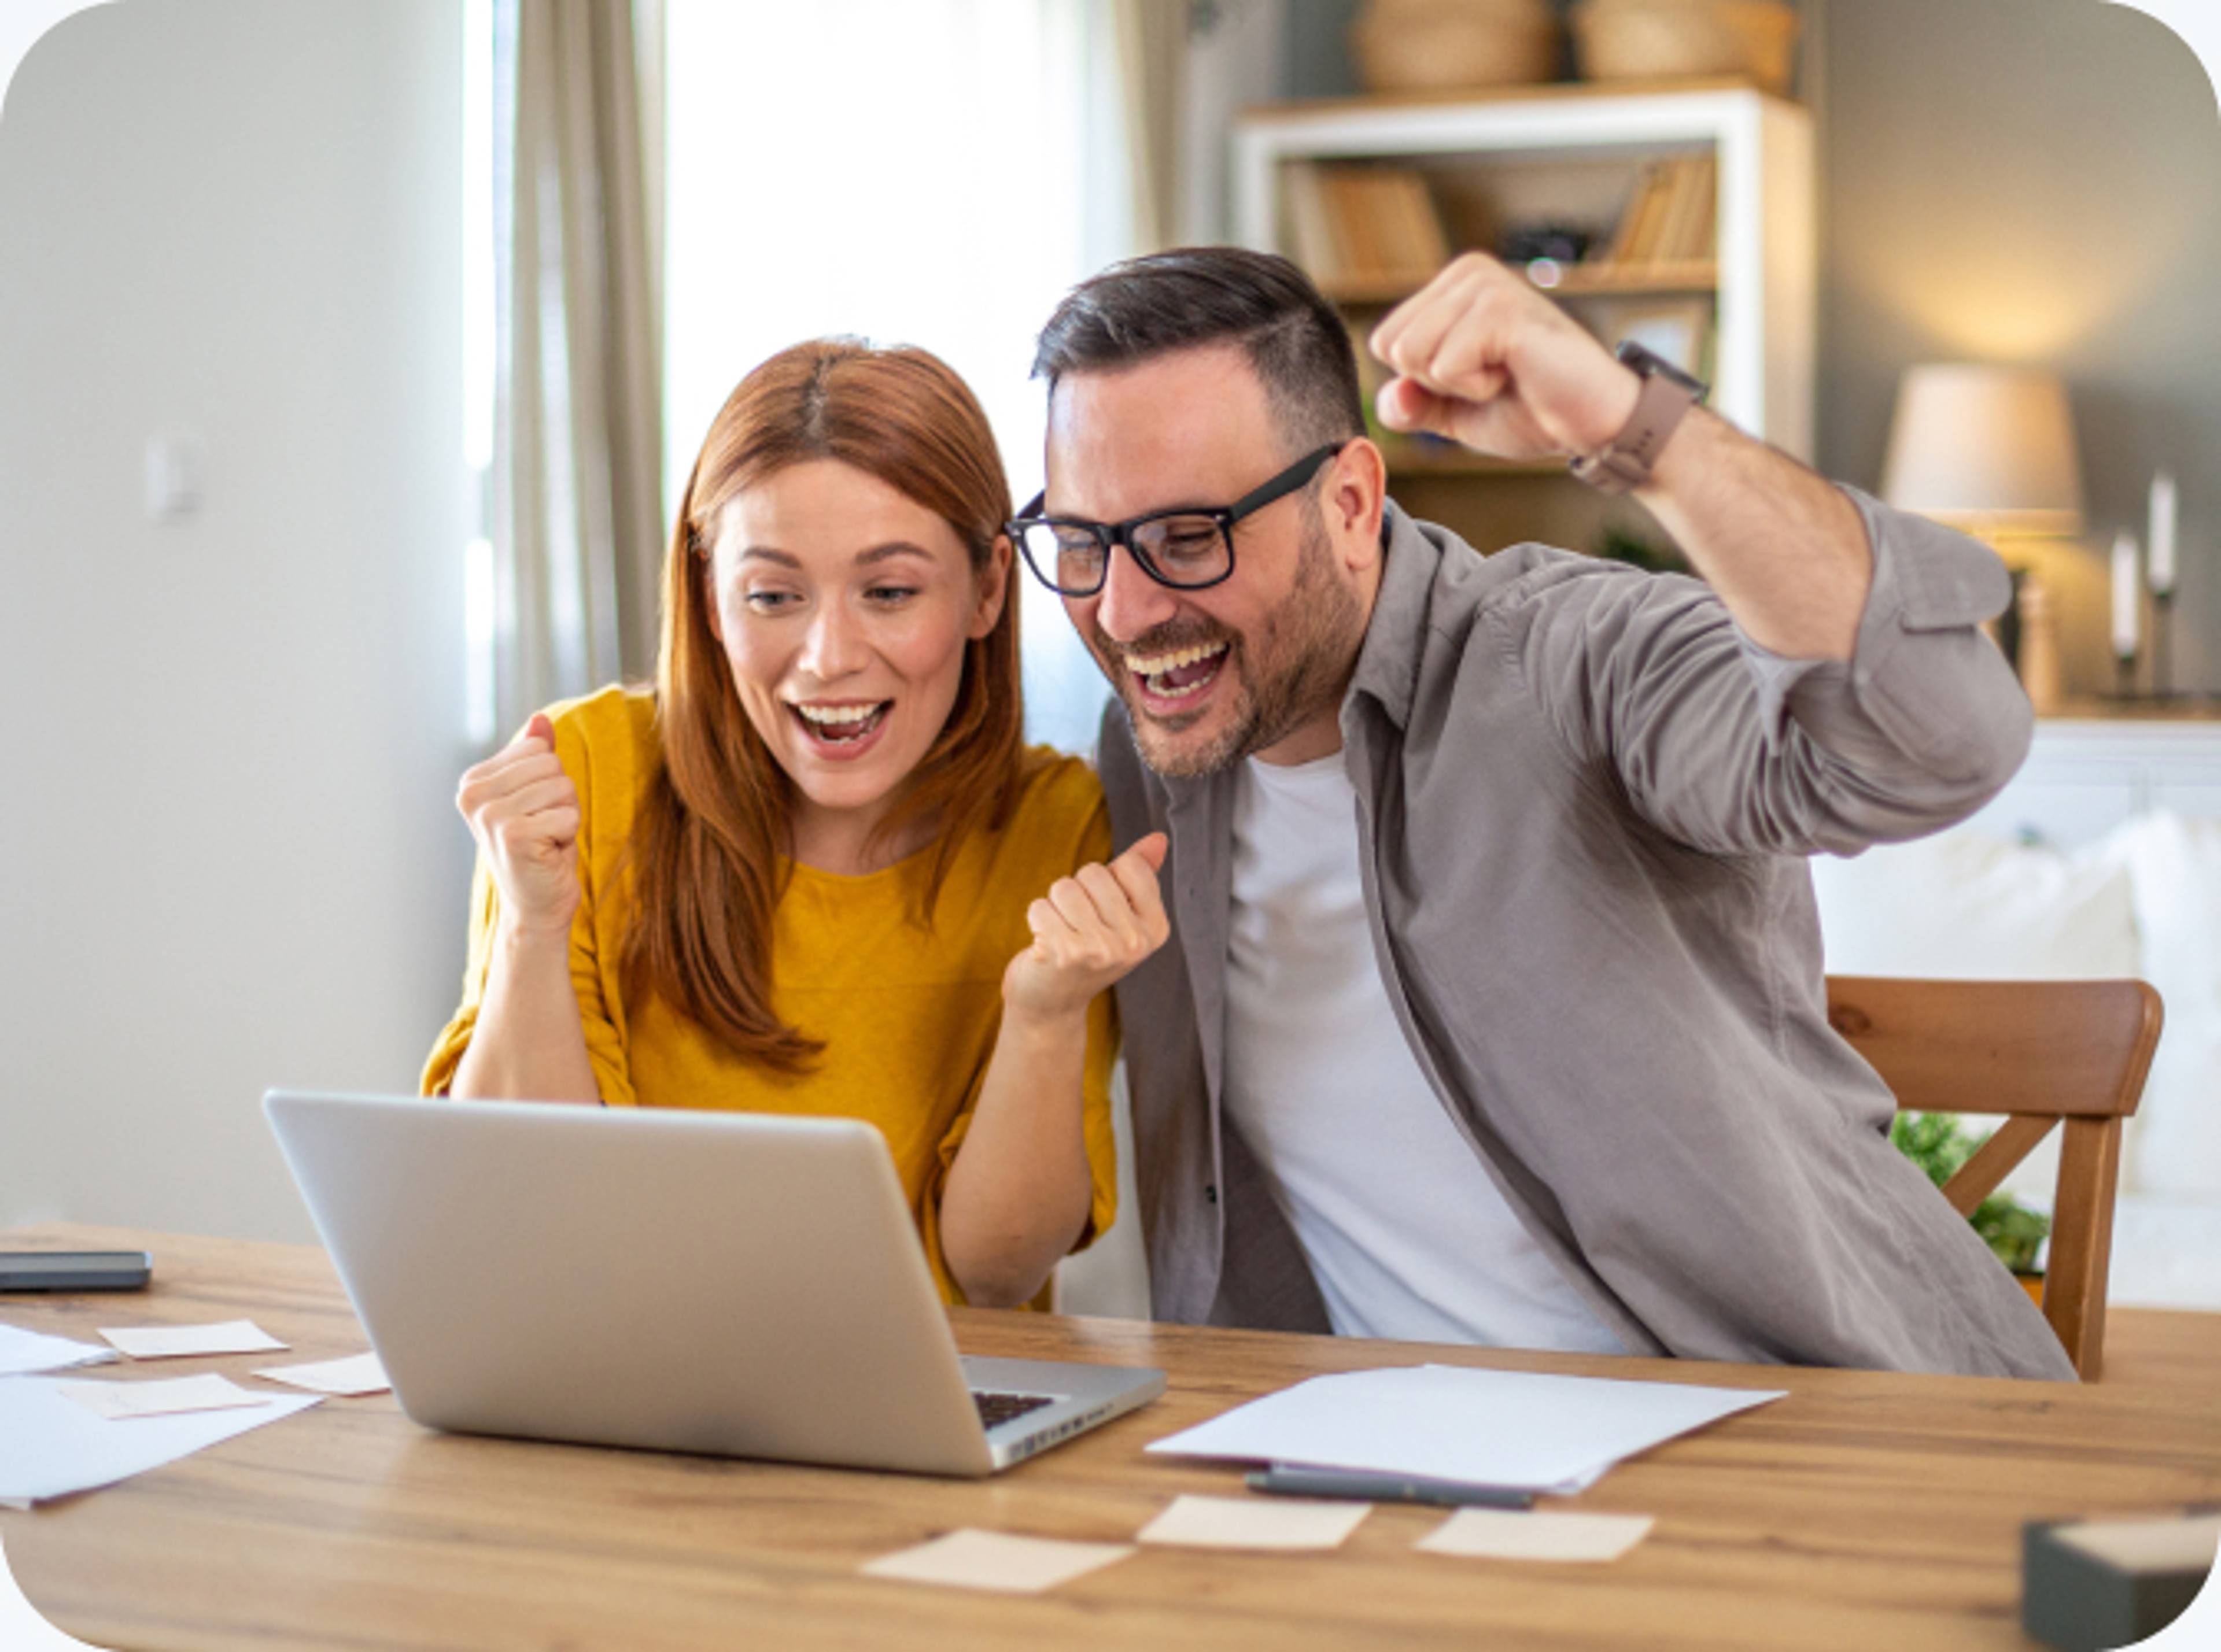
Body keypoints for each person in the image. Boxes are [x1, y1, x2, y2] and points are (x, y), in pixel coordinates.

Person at [1012, 246, 2074, 1379]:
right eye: (1082, 544)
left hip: (1780, 1428)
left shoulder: (1571, 660)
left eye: (1189, 538)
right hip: (1375, 1469)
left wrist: (1638, 426)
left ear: (1353, 502)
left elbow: (1947, 738)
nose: (1124, 610)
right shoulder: (1151, 753)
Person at [423, 339, 1169, 1311]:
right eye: (774, 596)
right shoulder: (584, 776)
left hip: (931, 1411)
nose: (827, 658)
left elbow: (998, 1274)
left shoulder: (1053, 823)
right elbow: (524, 1213)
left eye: (890, 592)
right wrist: (530, 922)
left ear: (989, 587)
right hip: (621, 1390)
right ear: (711, 598)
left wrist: (1045, 1012)